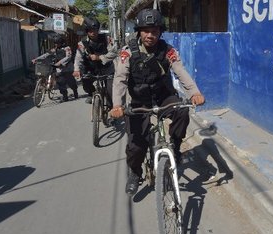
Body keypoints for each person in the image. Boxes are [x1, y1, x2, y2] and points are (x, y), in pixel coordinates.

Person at [110, 8, 205, 196]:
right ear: (139, 31)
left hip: (163, 96)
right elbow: (120, 79)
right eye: (146, 30)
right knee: (136, 146)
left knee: (182, 111)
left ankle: (176, 147)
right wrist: (117, 105)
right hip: (139, 101)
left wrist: (194, 92)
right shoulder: (127, 53)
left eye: (154, 31)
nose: (150, 35)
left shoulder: (168, 51)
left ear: (160, 32)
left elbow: (181, 71)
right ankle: (135, 173)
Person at [72, 19, 117, 105]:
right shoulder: (82, 43)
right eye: (90, 31)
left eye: (95, 30)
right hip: (90, 68)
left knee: (111, 91)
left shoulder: (106, 39)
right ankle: (91, 93)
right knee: (86, 83)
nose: (93, 33)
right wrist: (76, 69)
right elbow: (78, 57)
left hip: (106, 67)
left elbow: (114, 52)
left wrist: (100, 57)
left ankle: (111, 109)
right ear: (87, 31)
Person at [32, 34, 78, 102]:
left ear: (62, 42)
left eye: (58, 43)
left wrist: (59, 62)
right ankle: (65, 96)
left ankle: (75, 92)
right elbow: (46, 54)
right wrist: (36, 59)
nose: (56, 44)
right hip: (59, 69)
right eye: (55, 43)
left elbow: (68, 57)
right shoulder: (55, 49)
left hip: (68, 68)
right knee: (60, 82)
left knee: (71, 82)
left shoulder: (67, 48)